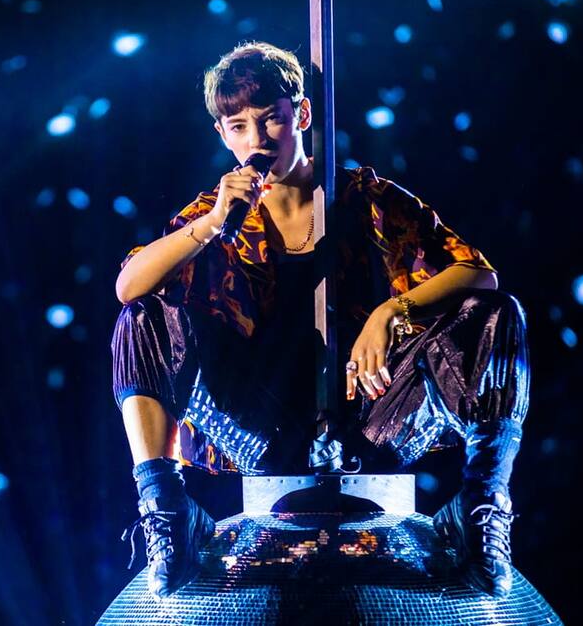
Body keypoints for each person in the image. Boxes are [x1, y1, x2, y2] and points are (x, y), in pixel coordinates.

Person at [112, 41, 530, 601]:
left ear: (302, 115)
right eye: (238, 127)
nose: (258, 140)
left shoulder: (366, 197)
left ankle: (481, 509)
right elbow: (128, 286)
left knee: (498, 315)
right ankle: (167, 511)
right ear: (222, 135)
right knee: (142, 316)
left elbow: (479, 274)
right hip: (258, 427)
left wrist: (393, 311)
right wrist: (211, 224)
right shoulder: (214, 215)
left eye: (271, 120)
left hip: (368, 414)